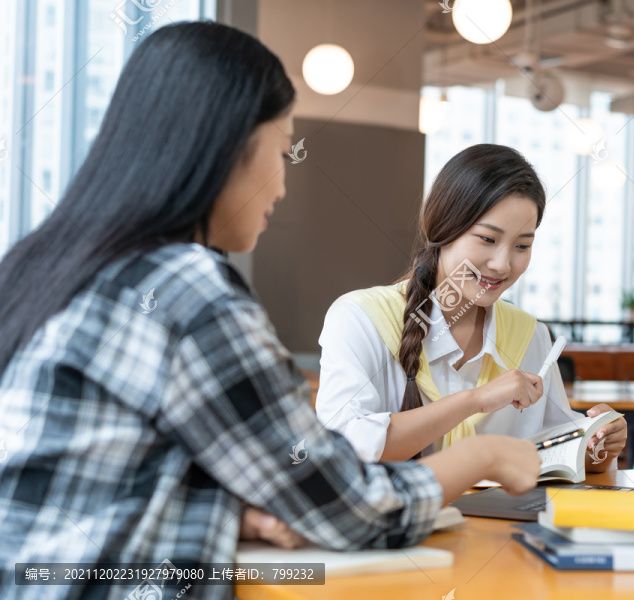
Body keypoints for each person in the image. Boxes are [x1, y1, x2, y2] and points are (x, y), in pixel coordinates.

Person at [0, 23, 540, 600]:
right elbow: (352, 508)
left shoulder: (43, 264)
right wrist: (482, 454)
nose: (282, 187)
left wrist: (229, 509)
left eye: (524, 244)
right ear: (226, 147)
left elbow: (97, 473)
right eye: (282, 153)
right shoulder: (191, 293)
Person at [315, 144, 627, 465]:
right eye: (487, 239)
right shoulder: (360, 318)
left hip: (506, 517)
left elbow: (559, 453)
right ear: (444, 227)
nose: (502, 265)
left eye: (522, 245)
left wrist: (598, 445)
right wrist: (474, 400)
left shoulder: (530, 334)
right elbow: (343, 447)